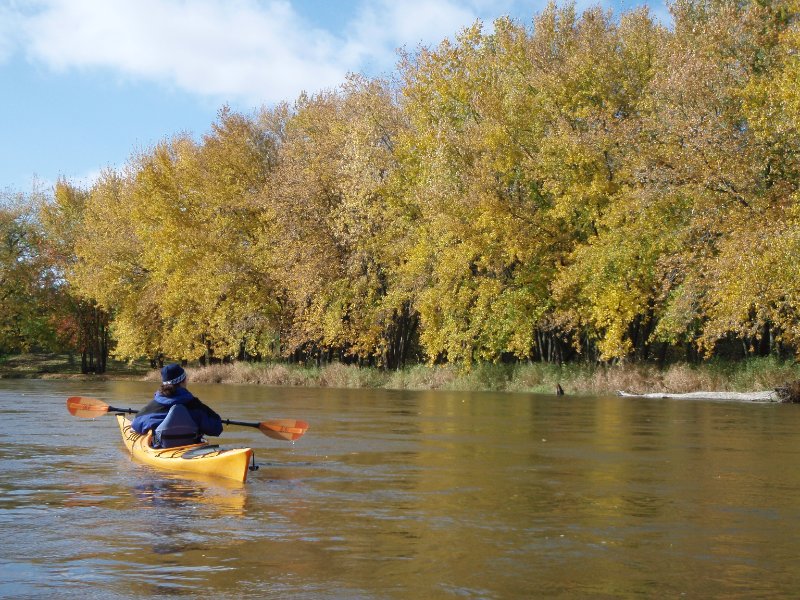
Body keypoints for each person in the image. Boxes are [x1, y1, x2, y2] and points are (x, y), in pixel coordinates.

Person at [132, 363, 223, 448]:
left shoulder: (153, 407)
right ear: (183, 381)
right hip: (192, 447)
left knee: (153, 433)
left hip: (160, 447)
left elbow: (136, 425)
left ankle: (157, 443)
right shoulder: (196, 405)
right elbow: (217, 428)